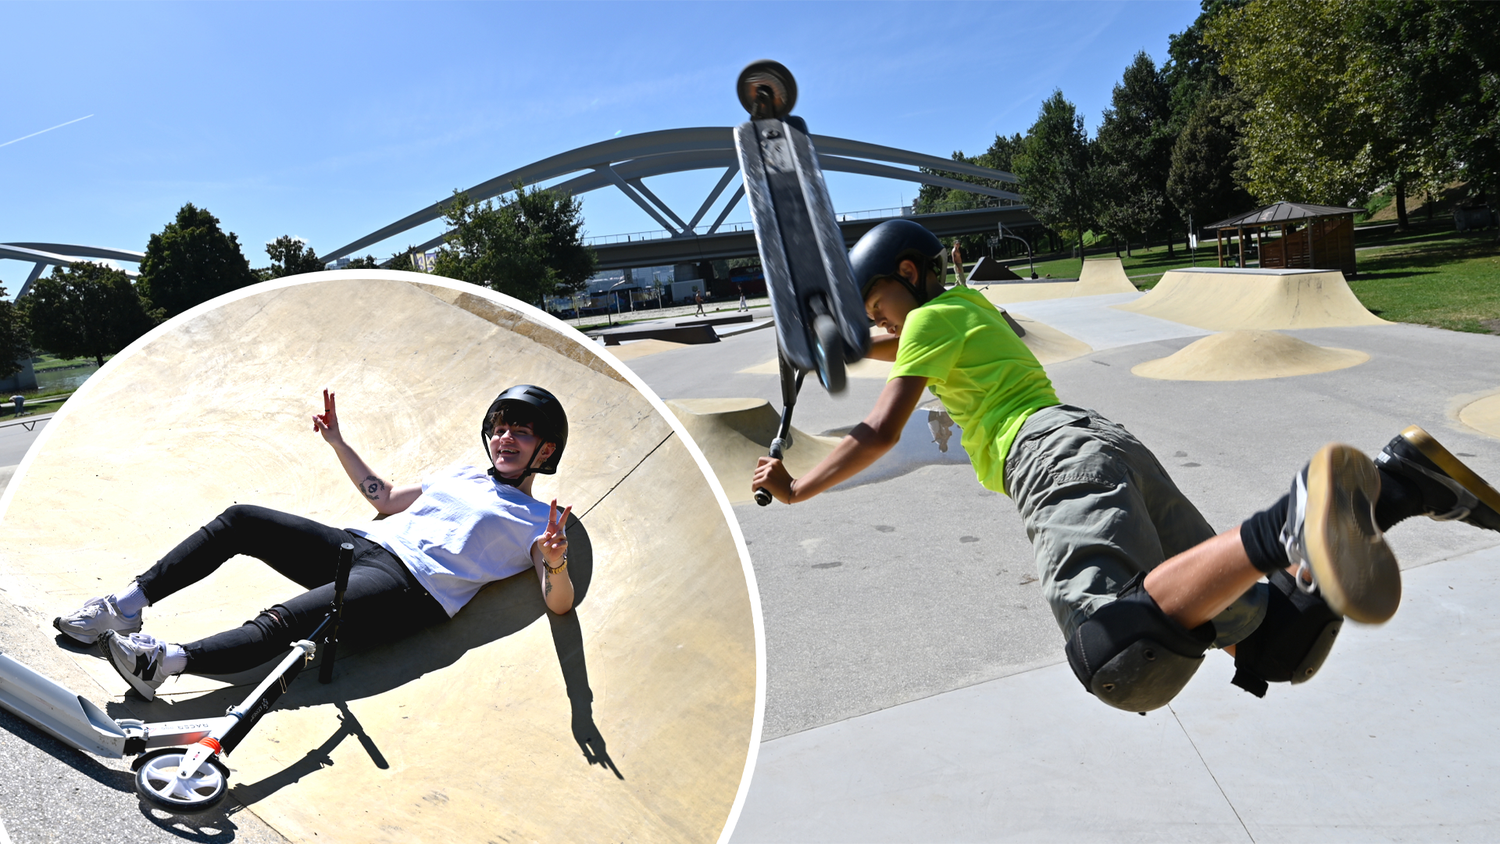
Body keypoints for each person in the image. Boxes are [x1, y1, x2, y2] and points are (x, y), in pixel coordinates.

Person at [752, 219, 1500, 712]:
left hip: (1050, 458)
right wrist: (829, 341)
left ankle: (1286, 524)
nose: (877, 319)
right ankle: (1399, 486)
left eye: (877, 300)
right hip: (1104, 446)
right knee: (1278, 645)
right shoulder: (963, 309)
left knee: (1118, 651)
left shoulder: (923, 321)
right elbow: (868, 346)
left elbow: (881, 429)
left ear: (908, 274)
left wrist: (798, 490)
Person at [55, 385, 575, 701]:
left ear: (545, 449)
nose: (506, 438)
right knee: (242, 519)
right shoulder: (464, 474)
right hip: (362, 547)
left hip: (408, 587)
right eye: (501, 428)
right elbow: (387, 497)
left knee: (287, 618)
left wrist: (555, 563)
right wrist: (338, 442)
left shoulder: (538, 519)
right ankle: (125, 607)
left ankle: (164, 663)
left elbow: (559, 601)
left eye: (522, 433)